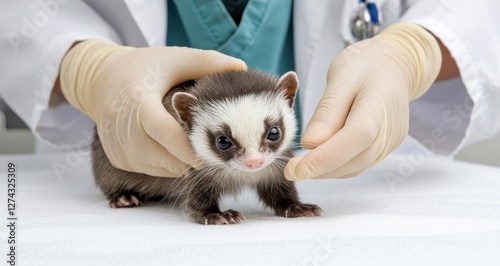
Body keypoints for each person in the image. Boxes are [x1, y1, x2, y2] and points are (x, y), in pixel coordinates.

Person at [0, 0, 499, 180]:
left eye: (269, 140)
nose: (258, 160)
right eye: (228, 143)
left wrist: (418, 49)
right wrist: (85, 65)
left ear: (290, 94)